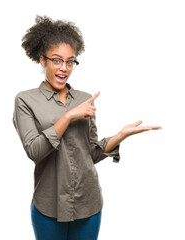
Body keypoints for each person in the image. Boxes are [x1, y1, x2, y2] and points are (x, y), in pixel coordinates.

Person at [13, 15, 161, 240]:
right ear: (42, 60)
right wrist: (69, 116)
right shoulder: (25, 100)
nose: (64, 68)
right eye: (56, 60)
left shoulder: (85, 99)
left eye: (70, 61)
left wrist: (121, 135)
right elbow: (35, 151)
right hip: (48, 206)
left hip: (88, 203)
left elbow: (90, 153)